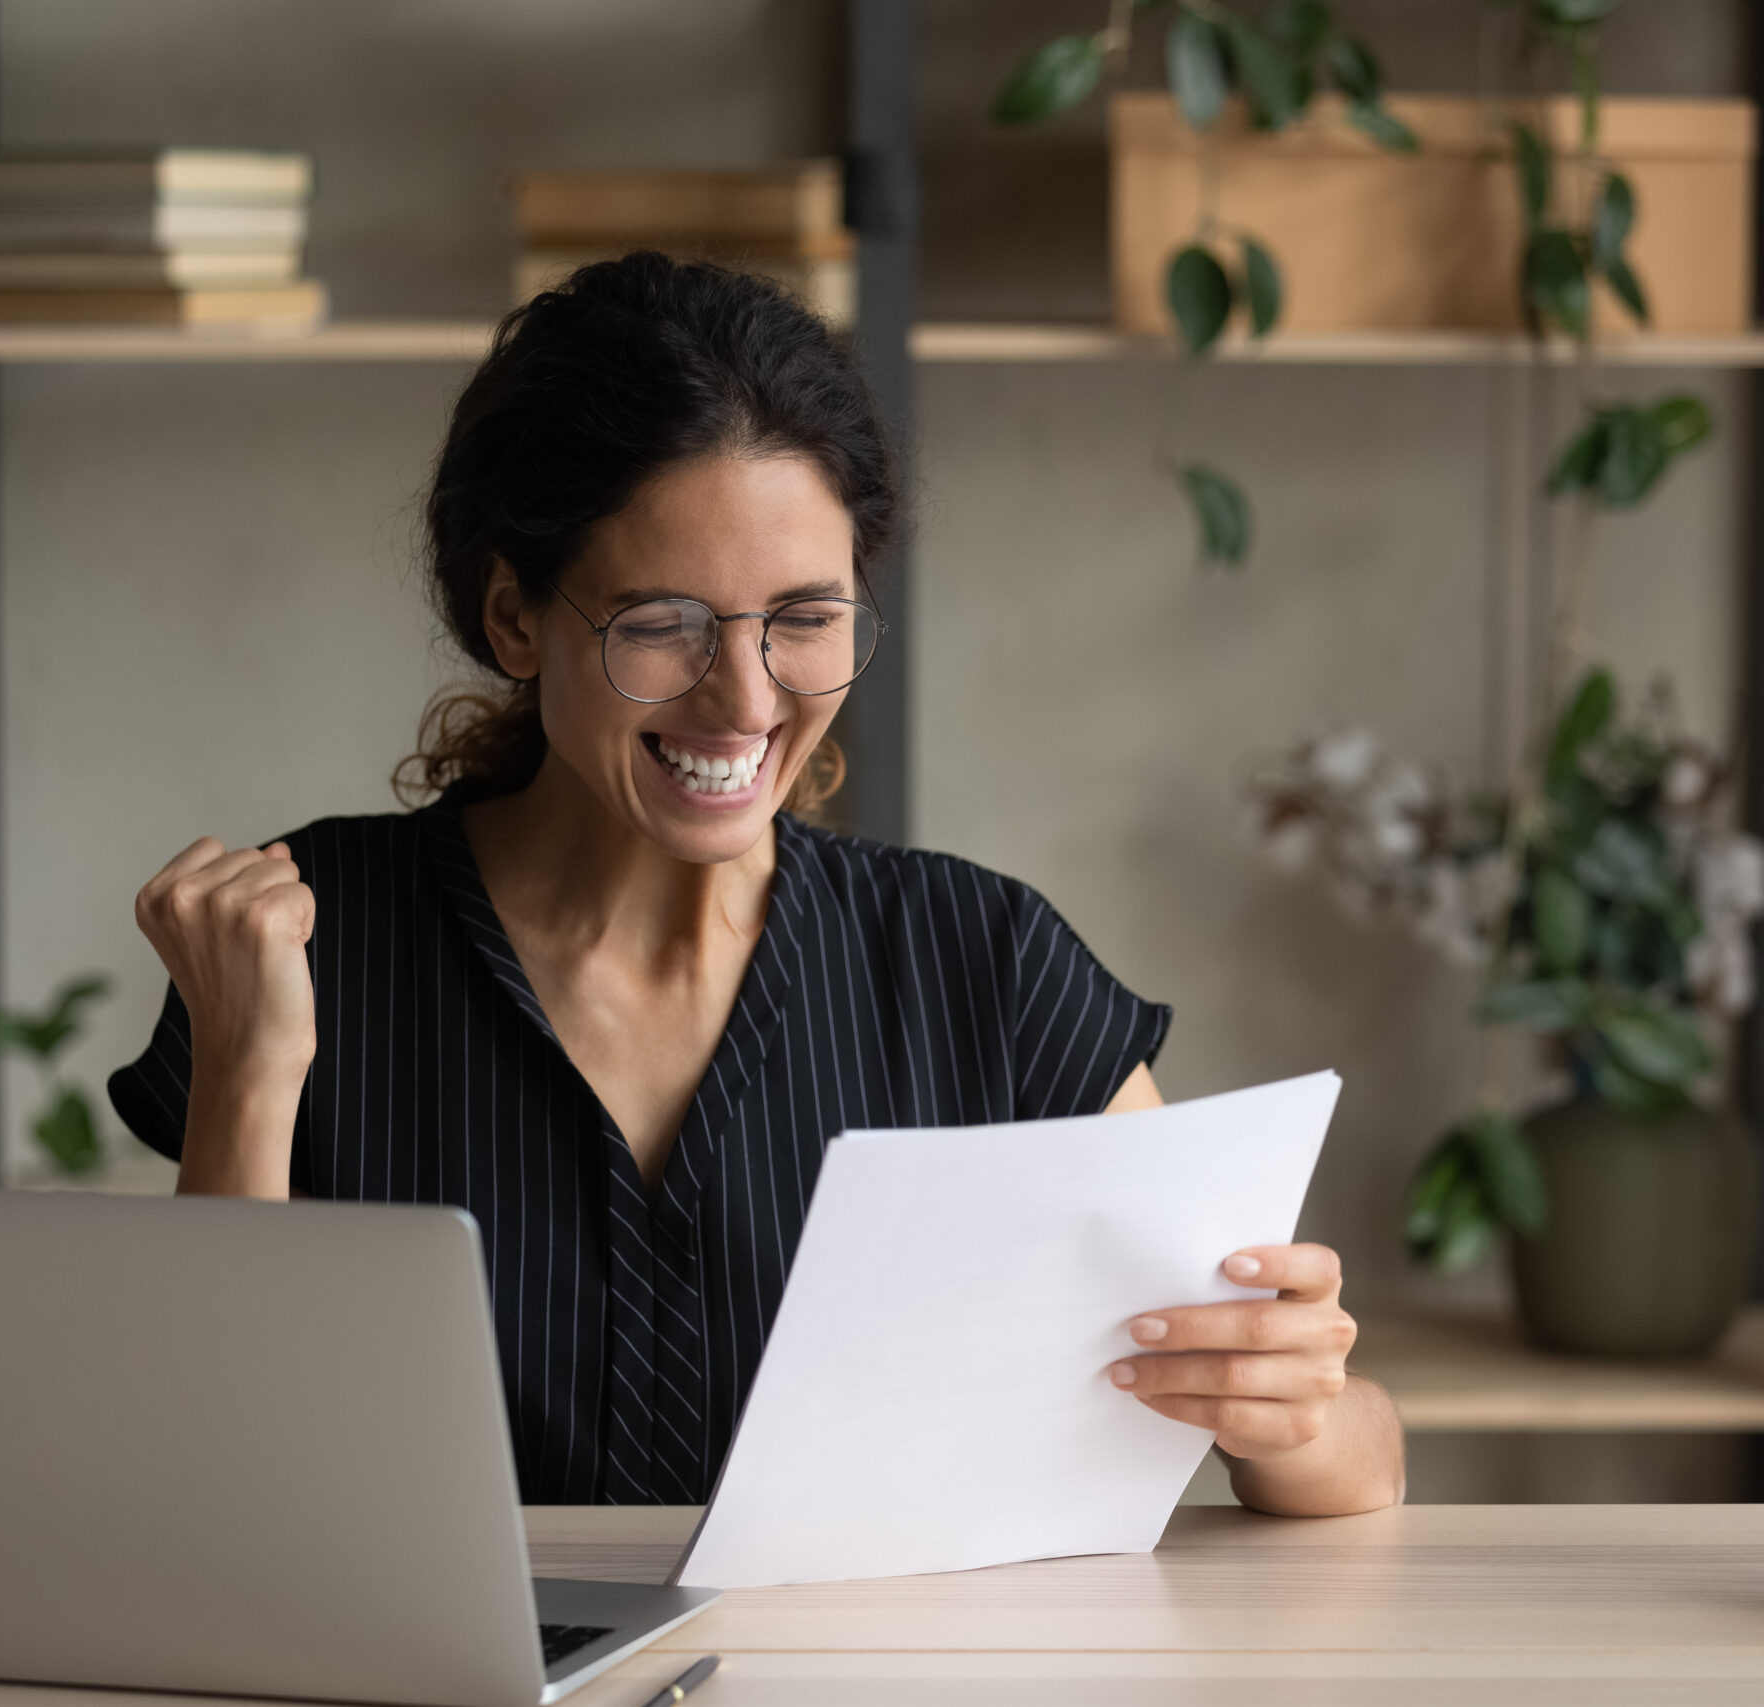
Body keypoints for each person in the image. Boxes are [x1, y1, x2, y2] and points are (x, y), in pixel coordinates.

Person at [107, 254, 1403, 1517]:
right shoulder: (309, 940)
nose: (744, 698)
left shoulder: (979, 960)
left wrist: (1289, 1406)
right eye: (661, 624)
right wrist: (255, 1068)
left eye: (804, 617)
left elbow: (1364, 1459)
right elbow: (199, 1481)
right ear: (513, 618)